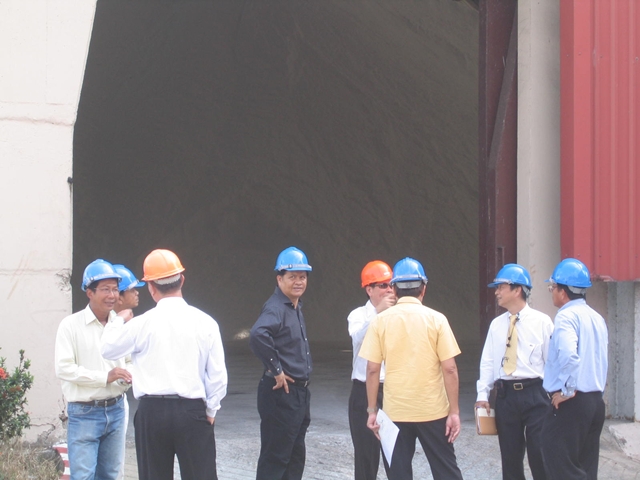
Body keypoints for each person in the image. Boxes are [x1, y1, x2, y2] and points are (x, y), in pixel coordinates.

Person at [101, 249, 227, 480]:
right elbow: (217, 375)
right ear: (182, 280)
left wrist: (119, 318)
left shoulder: (141, 324)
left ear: (151, 287)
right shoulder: (206, 322)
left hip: (152, 413)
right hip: (192, 411)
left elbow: (108, 347)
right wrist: (211, 409)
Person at [360, 257, 463, 480]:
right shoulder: (437, 320)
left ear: (394, 289)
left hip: (395, 412)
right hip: (433, 411)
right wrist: (454, 411)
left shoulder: (380, 321)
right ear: (423, 289)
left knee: (399, 474)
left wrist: (372, 410)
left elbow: (372, 370)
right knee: (446, 472)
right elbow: (450, 369)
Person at [475, 264, 554, 480]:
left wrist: (556, 393)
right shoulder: (496, 325)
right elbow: (488, 362)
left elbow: (552, 362)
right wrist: (482, 395)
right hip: (506, 395)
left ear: (517, 289)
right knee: (510, 457)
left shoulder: (542, 322)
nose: (496, 292)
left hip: (536, 393)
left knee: (539, 454)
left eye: (501, 287)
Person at [54, 259, 131, 480]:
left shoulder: (121, 325)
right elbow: (64, 368)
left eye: (115, 289)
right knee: (83, 476)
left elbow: (130, 360)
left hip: (116, 409)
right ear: (89, 292)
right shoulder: (70, 325)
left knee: (110, 475)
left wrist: (128, 375)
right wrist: (105, 377)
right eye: (105, 289)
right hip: (84, 412)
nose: (112, 295)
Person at [249, 246, 313, 480]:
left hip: (298, 395)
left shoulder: (293, 306)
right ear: (279, 279)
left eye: (302, 277)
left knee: (294, 457)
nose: (298, 282)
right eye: (292, 277)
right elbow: (258, 334)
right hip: (281, 394)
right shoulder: (276, 307)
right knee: (276, 459)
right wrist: (276, 369)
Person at [541, 258, 608, 480]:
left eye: (552, 287)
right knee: (586, 466)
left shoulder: (566, 316)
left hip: (573, 401)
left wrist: (567, 391)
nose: (552, 292)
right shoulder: (597, 318)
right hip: (595, 400)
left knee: (559, 462)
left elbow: (569, 355)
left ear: (563, 291)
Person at [347, 260, 395, 480]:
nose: (389, 290)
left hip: (393, 390)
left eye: (391, 285)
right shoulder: (358, 315)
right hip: (364, 390)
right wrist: (378, 313)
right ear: (369, 289)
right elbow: (359, 339)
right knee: (366, 457)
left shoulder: (398, 314)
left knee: (397, 456)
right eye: (383, 285)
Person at [111, 264, 145, 480]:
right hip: (94, 403)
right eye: (133, 289)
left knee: (115, 465)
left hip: (119, 400)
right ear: (119, 297)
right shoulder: (109, 325)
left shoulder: (131, 323)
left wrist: (129, 373)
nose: (137, 293)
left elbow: (131, 360)